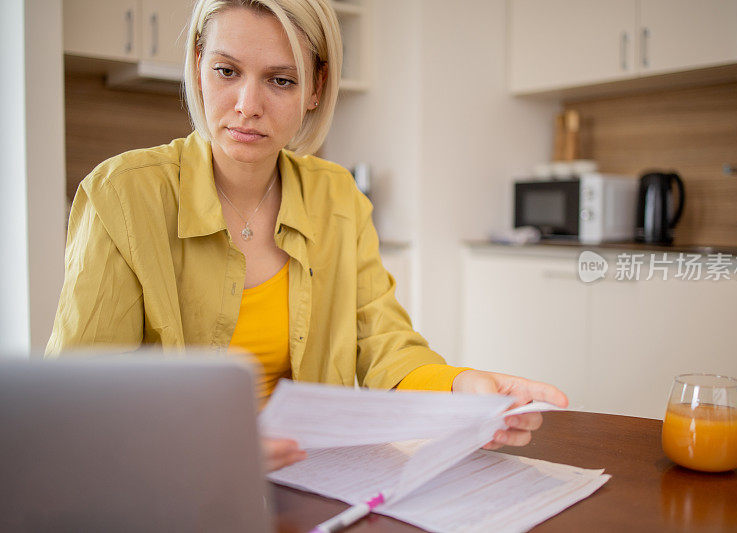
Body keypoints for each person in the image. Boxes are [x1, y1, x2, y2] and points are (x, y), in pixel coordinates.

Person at [46, 0, 567, 471]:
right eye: (227, 71)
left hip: (315, 478)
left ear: (316, 87)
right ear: (199, 66)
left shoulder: (338, 197)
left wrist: (462, 385)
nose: (248, 104)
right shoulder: (122, 195)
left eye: (281, 80)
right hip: (173, 480)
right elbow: (80, 400)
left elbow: (384, 345)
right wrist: (203, 444)